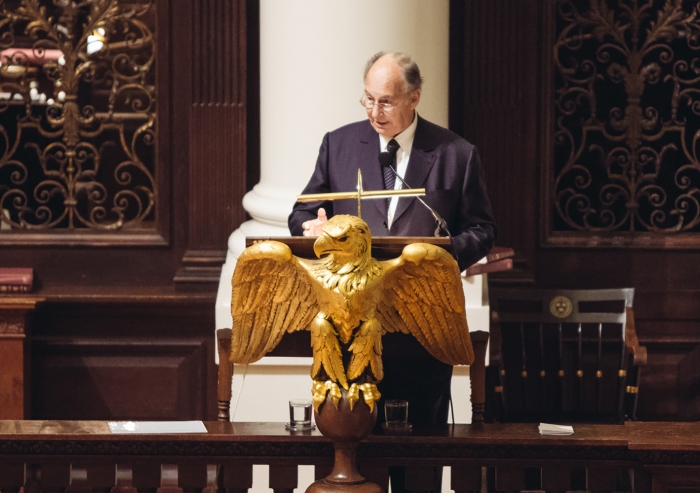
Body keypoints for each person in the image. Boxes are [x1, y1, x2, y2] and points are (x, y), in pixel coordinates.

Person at [288, 51, 496, 486]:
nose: (374, 112)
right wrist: (311, 224)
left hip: (421, 331)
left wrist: (441, 257)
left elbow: (482, 229)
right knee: (355, 460)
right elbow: (303, 210)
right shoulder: (339, 144)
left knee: (417, 458)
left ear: (414, 98)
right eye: (367, 100)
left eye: (385, 102)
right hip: (351, 332)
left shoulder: (456, 154)